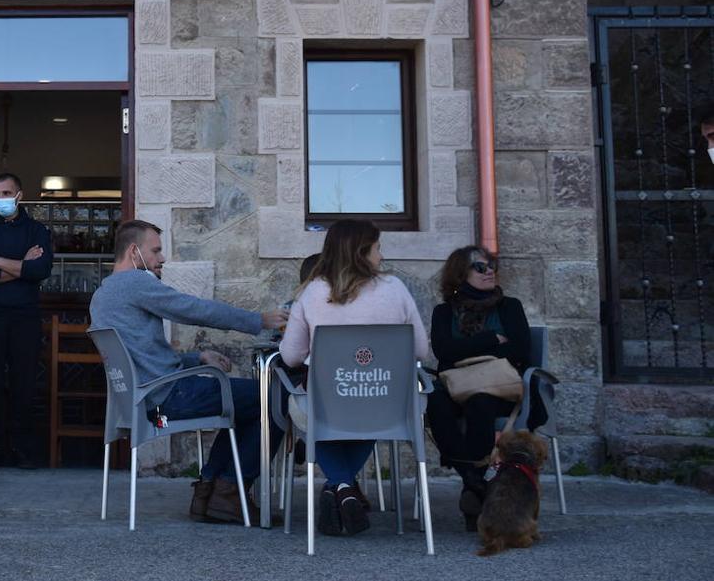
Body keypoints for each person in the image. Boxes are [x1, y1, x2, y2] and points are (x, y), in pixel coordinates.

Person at [89, 219, 286, 524]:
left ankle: (210, 490)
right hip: (169, 397)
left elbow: (143, 357)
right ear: (133, 251)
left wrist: (197, 357)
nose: (162, 258)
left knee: (247, 403)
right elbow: (193, 309)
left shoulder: (102, 296)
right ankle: (229, 490)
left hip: (144, 399)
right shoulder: (136, 283)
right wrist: (258, 320)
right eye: (155, 251)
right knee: (274, 398)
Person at [279, 218, 430, 537]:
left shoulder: (312, 293)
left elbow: (291, 356)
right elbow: (420, 350)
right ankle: (344, 487)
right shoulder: (396, 289)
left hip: (329, 400)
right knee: (373, 407)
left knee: (310, 414)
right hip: (386, 400)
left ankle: (342, 486)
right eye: (378, 248)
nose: (381, 256)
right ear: (361, 252)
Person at [425, 245, 539, 531]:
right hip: (454, 386)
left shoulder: (508, 306)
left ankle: (471, 485)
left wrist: (467, 350)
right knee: (434, 401)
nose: (489, 272)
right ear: (460, 273)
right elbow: (443, 351)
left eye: (491, 266)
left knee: (480, 403)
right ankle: (475, 481)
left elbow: (521, 350)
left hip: (498, 388)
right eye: (480, 267)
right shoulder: (443, 312)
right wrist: (490, 339)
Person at [0, 172, 53, 469]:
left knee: (24, 383)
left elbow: (40, 270)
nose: (1, 198)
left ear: (19, 195)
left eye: (6, 193)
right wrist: (21, 264)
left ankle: (22, 448)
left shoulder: (37, 230)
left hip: (26, 317)